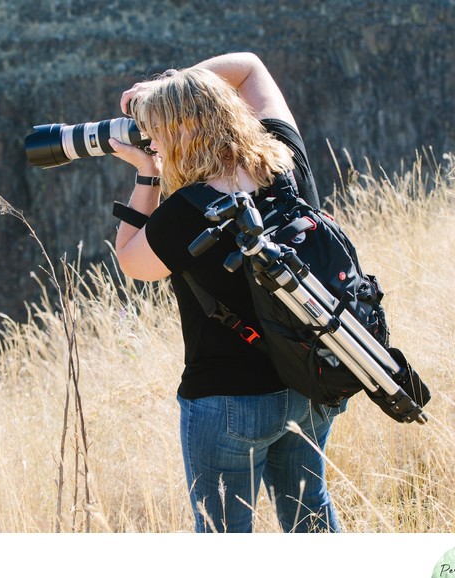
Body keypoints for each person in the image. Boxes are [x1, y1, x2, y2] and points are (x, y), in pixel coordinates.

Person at [108, 52, 345, 533]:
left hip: (229, 403)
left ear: (180, 133)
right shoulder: (285, 162)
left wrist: (149, 176)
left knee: (223, 534)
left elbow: (131, 261)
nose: (151, 139)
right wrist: (180, 88)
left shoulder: (188, 212)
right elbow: (251, 66)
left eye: (156, 130)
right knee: (309, 511)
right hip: (309, 380)